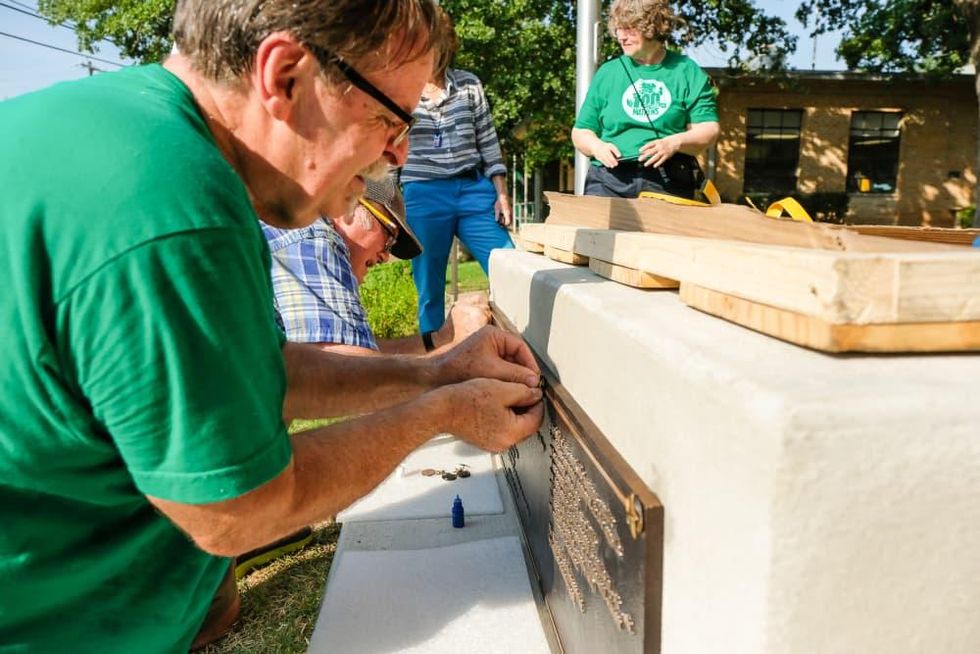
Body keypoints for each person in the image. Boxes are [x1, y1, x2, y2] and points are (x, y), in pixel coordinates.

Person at [0, 1, 544, 652]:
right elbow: (237, 510)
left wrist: (435, 373)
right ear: (284, 75)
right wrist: (440, 412)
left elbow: (257, 369)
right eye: (390, 118)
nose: (398, 152)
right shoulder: (175, 206)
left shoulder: (143, 134)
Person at [263, 174, 491, 356]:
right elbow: (345, 373)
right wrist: (455, 356)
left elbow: (353, 352)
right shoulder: (315, 239)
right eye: (389, 236)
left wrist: (441, 340)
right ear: (349, 205)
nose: (385, 257)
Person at [401, 7, 514, 339]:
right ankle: (434, 355)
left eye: (434, 43)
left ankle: (515, 340)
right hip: (423, 192)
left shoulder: (468, 84)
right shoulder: (402, 88)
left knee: (509, 265)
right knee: (429, 287)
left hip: (473, 190)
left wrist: (501, 194)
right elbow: (389, 148)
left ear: (446, 44)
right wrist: (392, 202)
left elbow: (488, 140)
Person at [571, 0, 720, 199]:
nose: (621, 36)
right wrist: (597, 147)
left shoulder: (686, 71)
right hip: (608, 179)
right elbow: (581, 132)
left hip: (667, 177)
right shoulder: (608, 72)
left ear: (652, 27)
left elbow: (708, 129)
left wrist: (675, 142)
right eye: (618, 29)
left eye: (628, 28)